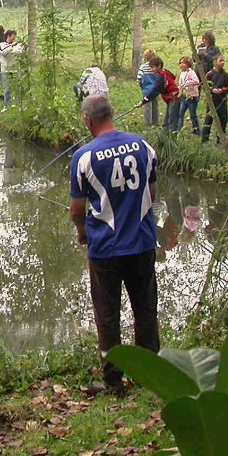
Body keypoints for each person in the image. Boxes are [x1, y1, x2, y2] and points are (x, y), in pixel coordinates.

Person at [69, 94, 160, 395]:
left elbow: (76, 210)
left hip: (105, 248)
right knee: (145, 310)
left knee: (107, 314)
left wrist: (82, 232)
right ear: (112, 113)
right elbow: (153, 195)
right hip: (143, 243)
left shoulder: (83, 157)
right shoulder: (144, 146)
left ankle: (113, 381)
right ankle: (150, 374)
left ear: (87, 120)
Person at [201, 54, 228, 143]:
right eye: (220, 60)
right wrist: (212, 90)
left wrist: (222, 90)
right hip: (212, 100)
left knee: (223, 120)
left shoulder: (227, 76)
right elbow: (205, 85)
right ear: (215, 62)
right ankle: (204, 140)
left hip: (222, 101)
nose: (222, 62)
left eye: (223, 61)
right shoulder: (210, 74)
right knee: (208, 120)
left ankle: (220, 140)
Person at [0, 29, 23, 109]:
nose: (14, 39)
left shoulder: (17, 45)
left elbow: (20, 52)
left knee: (18, 89)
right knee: (7, 89)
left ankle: (19, 106)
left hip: (15, 70)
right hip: (5, 70)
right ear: (8, 36)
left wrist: (24, 48)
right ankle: (7, 106)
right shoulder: (1, 45)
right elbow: (3, 53)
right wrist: (11, 47)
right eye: (13, 37)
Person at [175, 56, 202, 135]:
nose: (181, 65)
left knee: (192, 114)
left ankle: (196, 130)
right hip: (184, 96)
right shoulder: (182, 73)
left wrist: (186, 84)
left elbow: (196, 81)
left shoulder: (191, 72)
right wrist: (179, 88)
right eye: (180, 63)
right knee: (180, 113)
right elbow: (180, 84)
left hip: (192, 96)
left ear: (188, 64)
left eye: (184, 63)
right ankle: (179, 130)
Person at [136, 56, 166, 126]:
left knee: (147, 106)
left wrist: (141, 86)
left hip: (147, 90)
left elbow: (139, 78)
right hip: (155, 90)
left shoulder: (143, 67)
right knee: (155, 106)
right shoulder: (158, 69)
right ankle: (155, 122)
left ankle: (147, 123)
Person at [158, 62, 179, 131]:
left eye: (152, 67)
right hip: (169, 98)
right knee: (167, 119)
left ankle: (172, 138)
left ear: (159, 66)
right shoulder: (163, 73)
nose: (151, 70)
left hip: (173, 97)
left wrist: (145, 100)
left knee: (172, 119)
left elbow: (157, 90)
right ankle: (164, 136)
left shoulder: (163, 75)